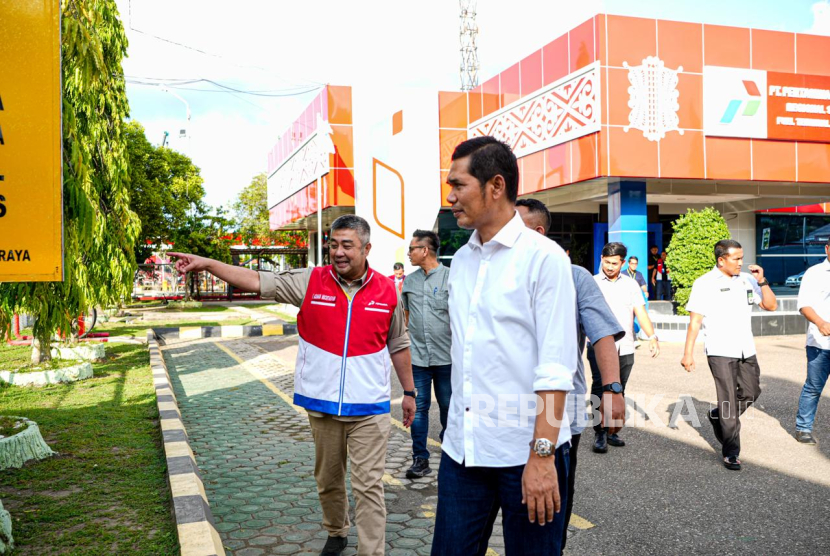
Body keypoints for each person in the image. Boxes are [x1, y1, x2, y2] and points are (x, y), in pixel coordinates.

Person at [170, 215, 416, 556]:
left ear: (366, 248)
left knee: (368, 486)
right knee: (329, 481)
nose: (338, 252)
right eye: (333, 245)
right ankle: (337, 531)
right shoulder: (310, 281)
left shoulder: (387, 290)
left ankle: (371, 551)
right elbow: (256, 279)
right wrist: (209, 264)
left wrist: (409, 392)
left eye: (347, 245)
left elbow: (399, 344)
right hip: (323, 405)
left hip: (370, 407)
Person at [432, 137, 577, 556]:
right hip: (464, 453)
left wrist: (543, 456)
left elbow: (555, 365)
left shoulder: (544, 259)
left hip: (528, 453)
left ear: (496, 186)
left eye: (459, 185)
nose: (451, 196)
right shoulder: (461, 261)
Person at [516, 199, 624, 550]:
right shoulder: (498, 272)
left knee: (553, 499)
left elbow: (603, 335)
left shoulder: (574, 276)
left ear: (538, 231)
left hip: (561, 408)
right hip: (502, 406)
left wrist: (612, 389)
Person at [681, 239, 777, 471]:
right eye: (736, 259)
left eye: (741, 258)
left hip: (746, 348)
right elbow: (695, 321)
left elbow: (770, 306)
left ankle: (718, 416)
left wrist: (762, 281)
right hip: (720, 350)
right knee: (728, 399)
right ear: (721, 260)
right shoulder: (704, 283)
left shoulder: (747, 280)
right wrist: (688, 353)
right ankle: (731, 452)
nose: (741, 263)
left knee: (752, 392)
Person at [590, 242, 660, 453]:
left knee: (619, 388)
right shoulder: (591, 283)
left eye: (615, 263)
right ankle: (599, 432)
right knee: (600, 387)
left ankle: (612, 429)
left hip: (625, 345)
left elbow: (640, 312)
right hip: (597, 345)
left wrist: (652, 336)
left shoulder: (631, 285)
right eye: (607, 262)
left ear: (622, 263)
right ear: (601, 258)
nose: (610, 267)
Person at [401, 229, 452, 478]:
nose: (408, 253)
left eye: (412, 248)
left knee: (448, 407)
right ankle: (420, 458)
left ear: (425, 250)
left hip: (447, 359)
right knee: (418, 409)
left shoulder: (450, 279)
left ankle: (452, 453)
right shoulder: (408, 282)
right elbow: (405, 319)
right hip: (418, 359)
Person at [794, 236, 830, 445]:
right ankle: (803, 428)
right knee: (814, 387)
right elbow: (804, 304)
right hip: (821, 343)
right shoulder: (814, 273)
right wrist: (820, 322)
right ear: (827, 248)